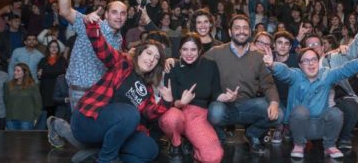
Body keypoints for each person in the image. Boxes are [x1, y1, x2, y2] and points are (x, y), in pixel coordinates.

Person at [47, 0, 127, 150]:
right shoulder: (92, 23)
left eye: (123, 13)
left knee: (95, 137)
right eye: (114, 12)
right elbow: (65, 11)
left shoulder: (119, 37)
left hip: (102, 91)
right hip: (80, 88)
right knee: (83, 138)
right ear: (106, 14)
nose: (118, 16)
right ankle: (56, 124)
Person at [70, 21, 172, 163]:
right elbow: (104, 50)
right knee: (130, 114)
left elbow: (150, 113)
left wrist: (166, 101)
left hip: (114, 133)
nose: (151, 60)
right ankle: (106, 159)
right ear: (139, 52)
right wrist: (93, 27)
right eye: (149, 53)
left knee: (149, 150)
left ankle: (98, 152)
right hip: (88, 120)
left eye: (156, 58)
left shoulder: (147, 89)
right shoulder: (123, 63)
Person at [263, 42, 358, 159]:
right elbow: (284, 72)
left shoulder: (326, 75)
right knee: (300, 110)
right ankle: (299, 145)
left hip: (321, 127)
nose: (311, 64)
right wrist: (272, 65)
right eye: (306, 61)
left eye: (314, 59)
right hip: (300, 128)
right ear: (300, 65)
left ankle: (329, 146)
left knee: (336, 113)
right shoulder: (296, 76)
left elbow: (347, 68)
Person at [206, 15, 283, 154]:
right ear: (230, 32)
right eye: (237, 28)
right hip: (224, 105)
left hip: (249, 106)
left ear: (250, 32)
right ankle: (220, 136)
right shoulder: (216, 52)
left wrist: (274, 103)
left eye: (245, 28)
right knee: (215, 112)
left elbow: (268, 84)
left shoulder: (258, 56)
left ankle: (252, 134)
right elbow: (195, 64)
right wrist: (173, 61)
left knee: (280, 115)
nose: (241, 31)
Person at [159, 33, 238, 162]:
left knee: (213, 157)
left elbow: (216, 93)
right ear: (179, 50)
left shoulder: (210, 66)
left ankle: (192, 142)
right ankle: (176, 144)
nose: (189, 53)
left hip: (198, 116)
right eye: (185, 49)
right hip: (177, 111)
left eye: (193, 49)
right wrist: (181, 102)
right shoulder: (173, 67)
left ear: (200, 50)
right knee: (171, 119)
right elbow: (170, 101)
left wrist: (228, 97)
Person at [301, 14, 358, 150]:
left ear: (323, 48)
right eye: (309, 45)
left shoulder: (332, 58)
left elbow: (351, 52)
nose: (313, 47)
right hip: (315, 109)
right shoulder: (301, 65)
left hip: (338, 101)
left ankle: (344, 137)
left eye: (316, 44)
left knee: (350, 106)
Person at [270, 31, 298, 144]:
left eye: (286, 43)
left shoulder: (296, 59)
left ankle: (287, 126)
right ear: (274, 45)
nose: (283, 46)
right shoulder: (267, 58)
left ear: (290, 47)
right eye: (280, 42)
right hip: (273, 99)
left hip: (292, 99)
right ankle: (280, 127)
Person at [4, 63, 42, 130]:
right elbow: (5, 100)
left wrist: (36, 117)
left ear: (25, 72)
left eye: (18, 70)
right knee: (11, 140)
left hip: (26, 119)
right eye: (14, 70)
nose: (15, 72)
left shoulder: (32, 86)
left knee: (25, 140)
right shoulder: (8, 85)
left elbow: (38, 103)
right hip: (11, 118)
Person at [37, 40, 67, 118]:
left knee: (59, 114)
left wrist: (46, 73)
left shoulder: (62, 60)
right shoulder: (43, 60)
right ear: (48, 48)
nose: (54, 48)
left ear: (58, 48)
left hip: (59, 89)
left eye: (56, 46)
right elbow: (39, 75)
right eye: (51, 46)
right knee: (47, 114)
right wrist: (56, 72)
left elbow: (64, 73)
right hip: (46, 90)